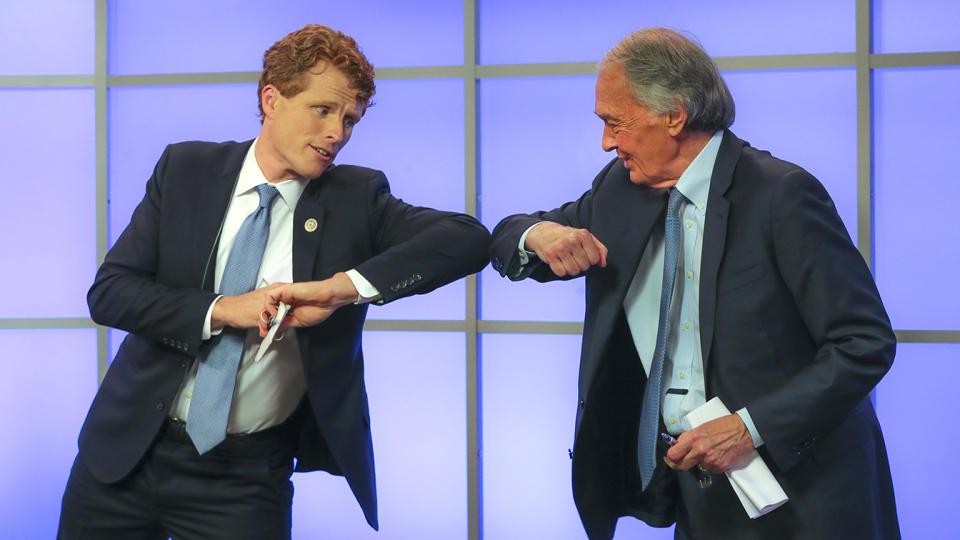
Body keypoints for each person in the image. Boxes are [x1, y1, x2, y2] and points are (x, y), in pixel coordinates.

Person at [58, 24, 490, 539]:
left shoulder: (357, 198)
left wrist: (340, 288)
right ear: (271, 99)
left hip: (244, 478)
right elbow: (110, 292)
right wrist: (223, 310)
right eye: (323, 110)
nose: (338, 133)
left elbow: (467, 239)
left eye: (350, 119)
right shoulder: (185, 170)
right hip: (124, 456)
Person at [488, 27, 899, 540]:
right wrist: (538, 233)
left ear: (674, 116)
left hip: (807, 496)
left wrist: (749, 428)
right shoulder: (618, 189)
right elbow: (506, 238)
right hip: (699, 496)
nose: (606, 141)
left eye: (614, 122)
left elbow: (864, 342)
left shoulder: (782, 195)